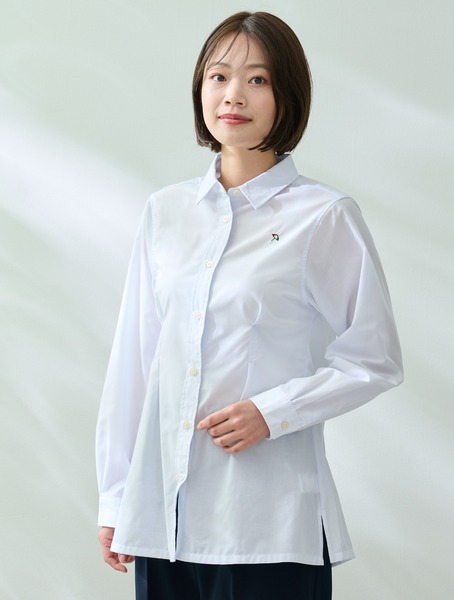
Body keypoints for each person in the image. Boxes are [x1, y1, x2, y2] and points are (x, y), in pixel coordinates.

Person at [96, 11, 403, 600]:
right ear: (200, 89)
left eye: (258, 79)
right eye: (219, 76)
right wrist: (116, 498)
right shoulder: (166, 212)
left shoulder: (324, 216)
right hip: (163, 524)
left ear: (288, 96)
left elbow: (375, 358)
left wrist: (274, 410)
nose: (233, 95)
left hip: (268, 528)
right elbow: (135, 363)